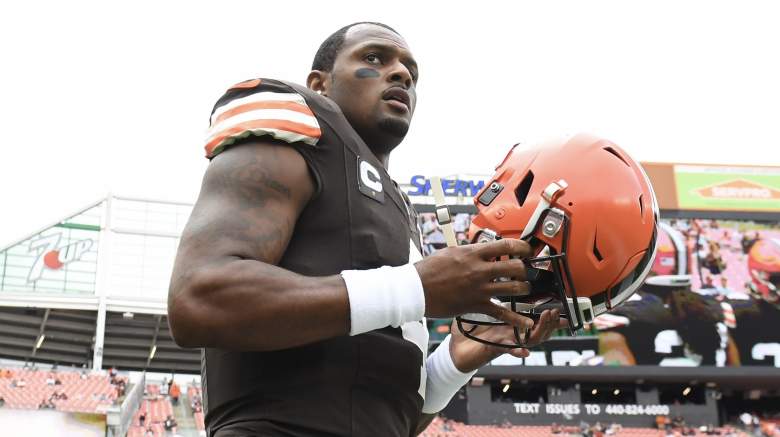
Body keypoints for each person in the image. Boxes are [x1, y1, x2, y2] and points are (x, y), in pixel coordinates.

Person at [168, 21, 562, 436]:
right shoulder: (298, 133)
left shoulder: (400, 209)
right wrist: (414, 289)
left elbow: (386, 418)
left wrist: (455, 360)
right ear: (319, 84)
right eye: (375, 58)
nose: (402, 75)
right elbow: (199, 296)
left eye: (411, 71)